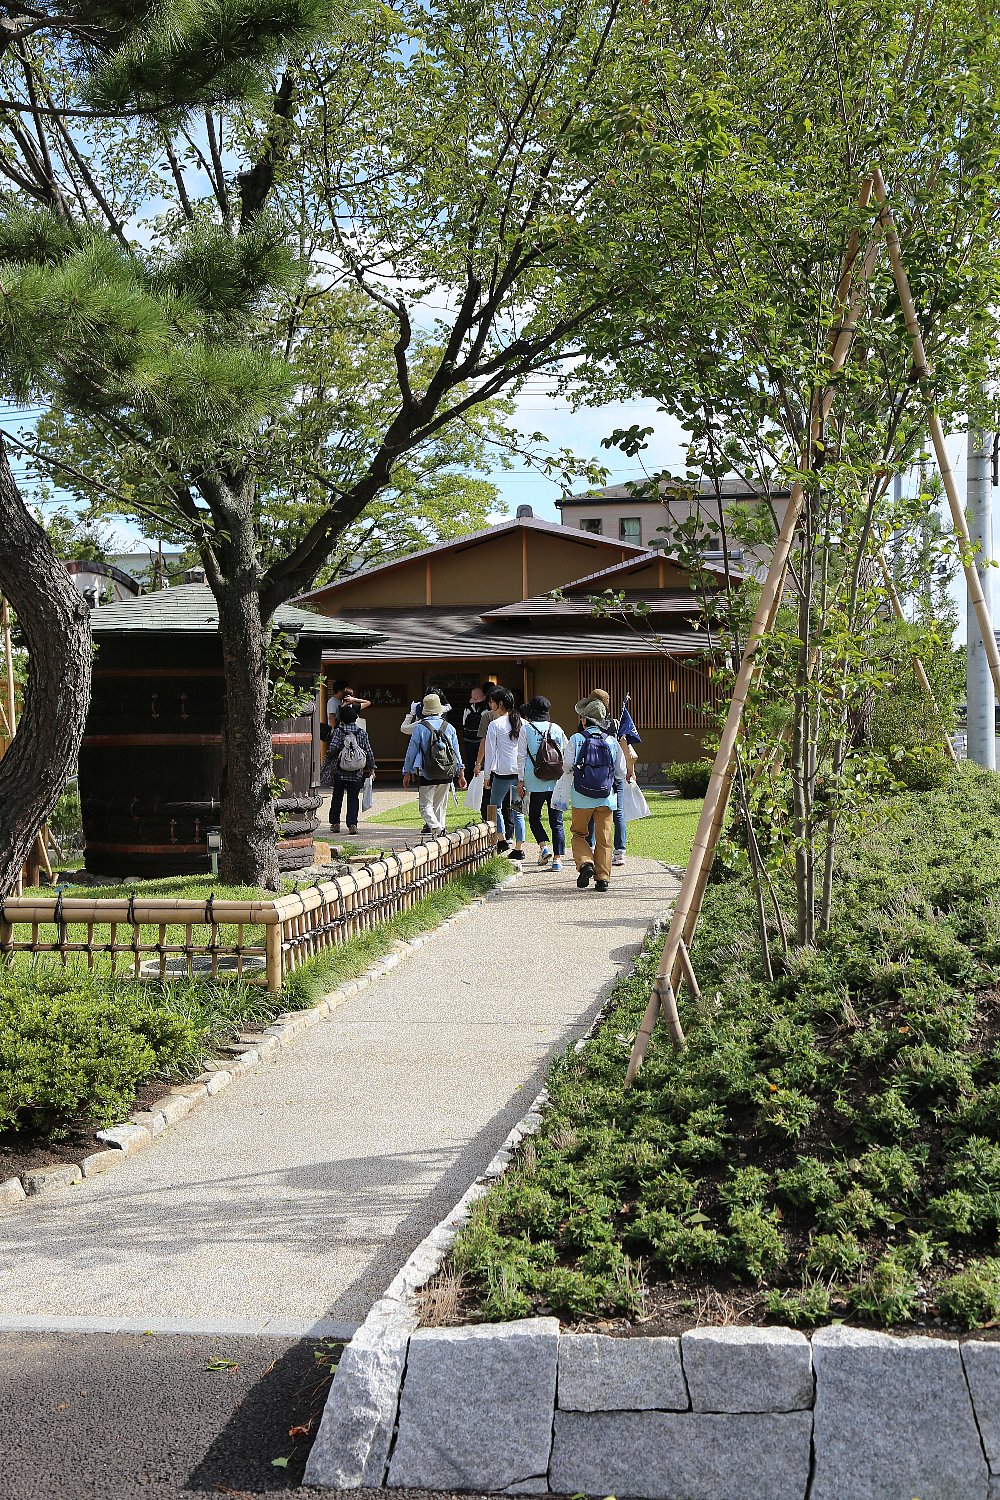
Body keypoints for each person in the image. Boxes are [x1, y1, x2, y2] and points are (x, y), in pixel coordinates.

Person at [564, 696, 628, 892]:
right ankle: (602, 879)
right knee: (605, 838)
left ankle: (585, 863)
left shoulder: (576, 739)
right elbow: (621, 772)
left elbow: (567, 766)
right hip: (606, 797)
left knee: (579, 834)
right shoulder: (611, 741)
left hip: (581, 796)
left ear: (584, 720)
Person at [402, 692, 466, 834]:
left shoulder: (420, 727)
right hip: (447, 772)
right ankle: (441, 834)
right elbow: (457, 752)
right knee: (440, 807)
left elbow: (411, 752)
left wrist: (407, 772)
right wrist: (461, 772)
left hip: (427, 771)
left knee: (425, 806)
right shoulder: (449, 727)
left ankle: (437, 828)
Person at [516, 696, 566, 871]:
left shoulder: (526, 729)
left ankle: (544, 848)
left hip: (533, 779)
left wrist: (520, 780)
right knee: (557, 821)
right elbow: (564, 752)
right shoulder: (557, 728)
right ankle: (558, 859)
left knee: (534, 817)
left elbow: (521, 756)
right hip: (555, 781)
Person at [589, 687, 634, 868]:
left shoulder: (587, 723)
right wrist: (630, 769)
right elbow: (625, 746)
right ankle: (620, 852)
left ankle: (591, 846)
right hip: (615, 773)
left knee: (592, 810)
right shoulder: (615, 722)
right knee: (618, 811)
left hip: (594, 774)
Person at [482, 687, 526, 860]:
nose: (489, 704)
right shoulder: (523, 722)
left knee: (495, 806)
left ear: (499, 704)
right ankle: (519, 848)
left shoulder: (495, 725)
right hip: (519, 774)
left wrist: (487, 775)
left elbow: (490, 752)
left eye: (491, 702)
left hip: (502, 773)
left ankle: (501, 839)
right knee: (517, 810)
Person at [321, 704, 375, 834]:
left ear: (342, 719)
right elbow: (368, 751)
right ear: (355, 718)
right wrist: (372, 768)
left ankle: (335, 824)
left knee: (337, 797)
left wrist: (329, 758)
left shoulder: (339, 732)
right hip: (357, 772)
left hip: (340, 770)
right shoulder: (362, 733)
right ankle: (352, 824)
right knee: (353, 797)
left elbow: (333, 749)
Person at [461, 684, 490, 776]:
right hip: (481, 740)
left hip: (468, 739)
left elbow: (463, 723)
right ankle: (480, 780)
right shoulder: (486, 711)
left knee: (470, 761)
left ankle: (470, 780)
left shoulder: (467, 709)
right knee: (481, 762)